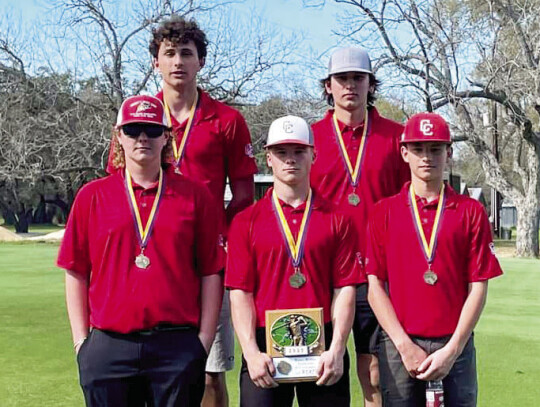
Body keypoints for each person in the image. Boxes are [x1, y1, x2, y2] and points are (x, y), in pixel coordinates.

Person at [106, 16, 258, 406]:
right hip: (150, 260)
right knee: (141, 370)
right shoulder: (136, 117)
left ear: (201, 61)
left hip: (206, 264)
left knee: (209, 373)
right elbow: (116, 189)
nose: (178, 62)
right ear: (155, 62)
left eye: (186, 54)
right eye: (168, 53)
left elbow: (243, 197)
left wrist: (217, 238)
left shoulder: (227, 120)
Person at [58, 95, 224, 406]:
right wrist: (82, 343)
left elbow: (211, 272)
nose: (142, 138)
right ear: (118, 135)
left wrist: (201, 343)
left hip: (176, 345)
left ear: (166, 136)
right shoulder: (91, 196)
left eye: (151, 129)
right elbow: (76, 270)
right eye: (133, 130)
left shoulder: (195, 196)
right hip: (109, 346)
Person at [365, 112, 503, 406]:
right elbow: (374, 286)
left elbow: (478, 286)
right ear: (404, 153)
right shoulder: (383, 212)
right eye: (418, 149)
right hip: (399, 343)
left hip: (455, 343)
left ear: (449, 153)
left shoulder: (470, 211)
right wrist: (404, 345)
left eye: (435, 149)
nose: (426, 157)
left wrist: (453, 349)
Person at [226, 115, 364, 407]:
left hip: (323, 345)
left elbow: (345, 289)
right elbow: (240, 292)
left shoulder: (338, 219)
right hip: (265, 345)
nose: (291, 160)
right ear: (269, 158)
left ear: (314, 155)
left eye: (299, 151)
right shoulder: (245, 222)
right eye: (282, 152)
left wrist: (338, 348)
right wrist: (250, 352)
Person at [310, 46, 410, 406]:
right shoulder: (309, 139)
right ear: (328, 86)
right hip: (322, 272)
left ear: (370, 84)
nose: (350, 86)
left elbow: (407, 204)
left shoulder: (397, 138)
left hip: (376, 273)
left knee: (373, 372)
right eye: (342, 79)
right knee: (320, 371)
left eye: (358, 78)